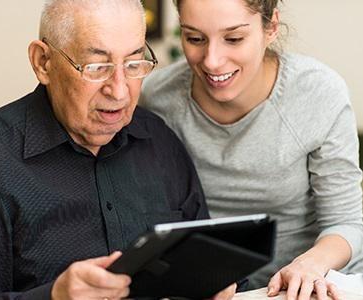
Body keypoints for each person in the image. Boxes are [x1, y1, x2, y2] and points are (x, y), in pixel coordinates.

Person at [0, 0, 239, 299]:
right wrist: (54, 297)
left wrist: (215, 284)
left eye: (133, 64)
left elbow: (208, 267)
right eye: (97, 66)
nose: (119, 90)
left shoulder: (159, 141)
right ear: (43, 62)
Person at [140, 0, 363, 299]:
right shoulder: (157, 98)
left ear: (270, 28)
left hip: (313, 285)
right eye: (195, 38)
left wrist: (310, 264)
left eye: (233, 39)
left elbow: (346, 223)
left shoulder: (318, 93)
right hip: (214, 290)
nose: (212, 61)